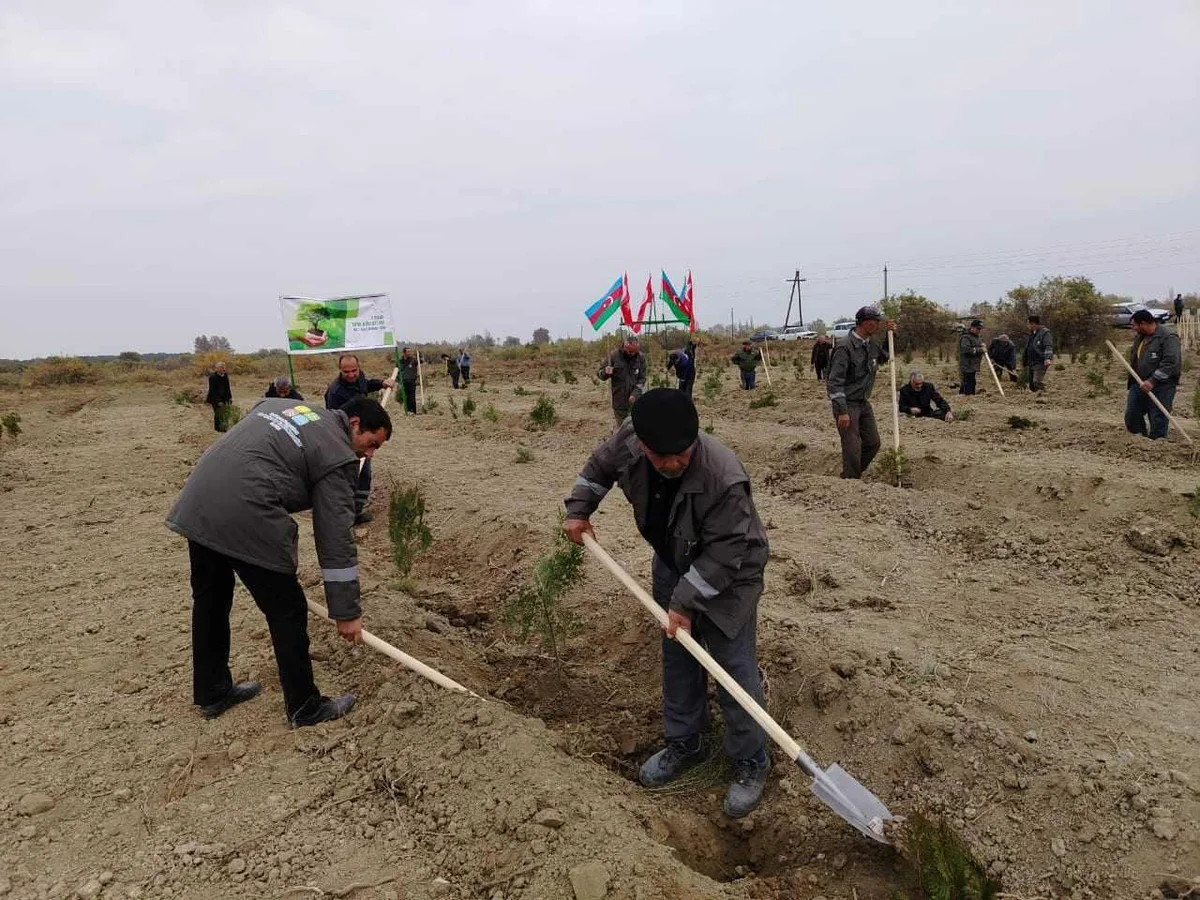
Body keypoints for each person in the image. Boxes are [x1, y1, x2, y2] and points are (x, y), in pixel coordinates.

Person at [562, 389, 771, 818]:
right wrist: (579, 509)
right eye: (663, 458)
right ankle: (685, 742)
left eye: (683, 454)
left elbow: (727, 551)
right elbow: (598, 469)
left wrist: (685, 603)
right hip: (674, 558)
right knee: (678, 656)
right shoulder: (628, 439)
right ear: (642, 445)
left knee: (731, 665)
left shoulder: (723, 476)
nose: (674, 463)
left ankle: (751, 759)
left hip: (730, 574)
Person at [166, 396, 392, 727]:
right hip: (246, 508)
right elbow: (335, 539)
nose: (369, 455)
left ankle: (212, 692)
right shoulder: (338, 456)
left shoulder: (287, 407)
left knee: (211, 600)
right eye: (371, 444)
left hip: (199, 501)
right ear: (355, 424)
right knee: (287, 609)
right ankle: (305, 706)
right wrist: (346, 613)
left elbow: (258, 408)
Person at [325, 354, 397, 524]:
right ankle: (341, 513)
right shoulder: (335, 393)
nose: (351, 375)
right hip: (347, 440)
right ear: (340, 370)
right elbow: (335, 422)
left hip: (363, 435)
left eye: (354, 370)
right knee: (349, 475)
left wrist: (381, 383)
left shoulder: (360, 377)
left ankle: (356, 511)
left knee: (364, 474)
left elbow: (367, 384)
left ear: (359, 367)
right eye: (346, 372)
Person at [826, 307, 897, 479]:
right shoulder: (844, 348)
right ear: (864, 323)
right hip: (847, 404)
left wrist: (891, 336)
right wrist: (842, 411)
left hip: (863, 403)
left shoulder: (870, 345)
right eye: (875, 321)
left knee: (873, 443)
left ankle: (852, 474)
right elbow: (834, 382)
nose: (878, 324)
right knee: (852, 446)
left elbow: (884, 357)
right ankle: (851, 481)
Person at [1124, 309, 1181, 440]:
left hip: (1162, 385)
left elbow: (1170, 362)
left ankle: (1157, 445)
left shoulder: (1168, 337)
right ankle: (1139, 440)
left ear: (1143, 323)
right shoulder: (1140, 338)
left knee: (1158, 417)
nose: (1132, 328)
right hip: (1139, 383)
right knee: (1132, 414)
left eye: (1134, 325)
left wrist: (1153, 381)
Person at [598, 336, 647, 426]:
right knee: (623, 430)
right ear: (624, 347)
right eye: (630, 351)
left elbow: (642, 378)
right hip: (619, 402)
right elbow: (600, 374)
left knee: (637, 428)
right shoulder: (614, 356)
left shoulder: (641, 358)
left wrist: (635, 394)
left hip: (636, 401)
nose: (632, 354)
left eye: (634, 351)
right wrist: (606, 372)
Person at [1023, 316, 1054, 392]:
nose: (1027, 326)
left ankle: (1044, 395)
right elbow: (1028, 348)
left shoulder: (1045, 333)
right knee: (1032, 386)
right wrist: (1025, 361)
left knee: (1036, 382)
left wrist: (1048, 358)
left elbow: (1048, 346)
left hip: (1040, 361)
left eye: (1028, 324)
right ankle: (1037, 398)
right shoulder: (1032, 334)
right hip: (1031, 362)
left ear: (1033, 324)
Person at [958, 320, 984, 395]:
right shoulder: (965, 337)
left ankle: (963, 394)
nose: (979, 330)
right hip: (967, 365)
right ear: (972, 327)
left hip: (973, 365)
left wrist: (982, 346)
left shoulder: (976, 337)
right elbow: (966, 350)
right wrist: (980, 349)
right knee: (970, 382)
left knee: (969, 382)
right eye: (978, 329)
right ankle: (968, 397)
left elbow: (977, 346)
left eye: (980, 329)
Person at [205, 361, 233, 432]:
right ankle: (218, 429)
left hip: (225, 397)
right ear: (217, 369)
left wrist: (230, 397)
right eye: (222, 367)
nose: (224, 369)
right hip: (215, 398)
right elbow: (212, 391)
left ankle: (224, 428)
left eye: (224, 367)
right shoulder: (212, 377)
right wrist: (218, 401)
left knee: (226, 412)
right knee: (218, 413)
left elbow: (227, 387)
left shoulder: (225, 375)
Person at [398, 348, 420, 415]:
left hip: (411, 380)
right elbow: (398, 371)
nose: (409, 353)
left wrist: (419, 353)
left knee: (412, 396)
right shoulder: (400, 361)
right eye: (408, 351)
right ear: (404, 353)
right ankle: (407, 411)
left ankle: (413, 411)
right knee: (406, 396)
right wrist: (398, 381)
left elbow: (421, 361)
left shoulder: (413, 360)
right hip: (403, 381)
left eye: (410, 351)